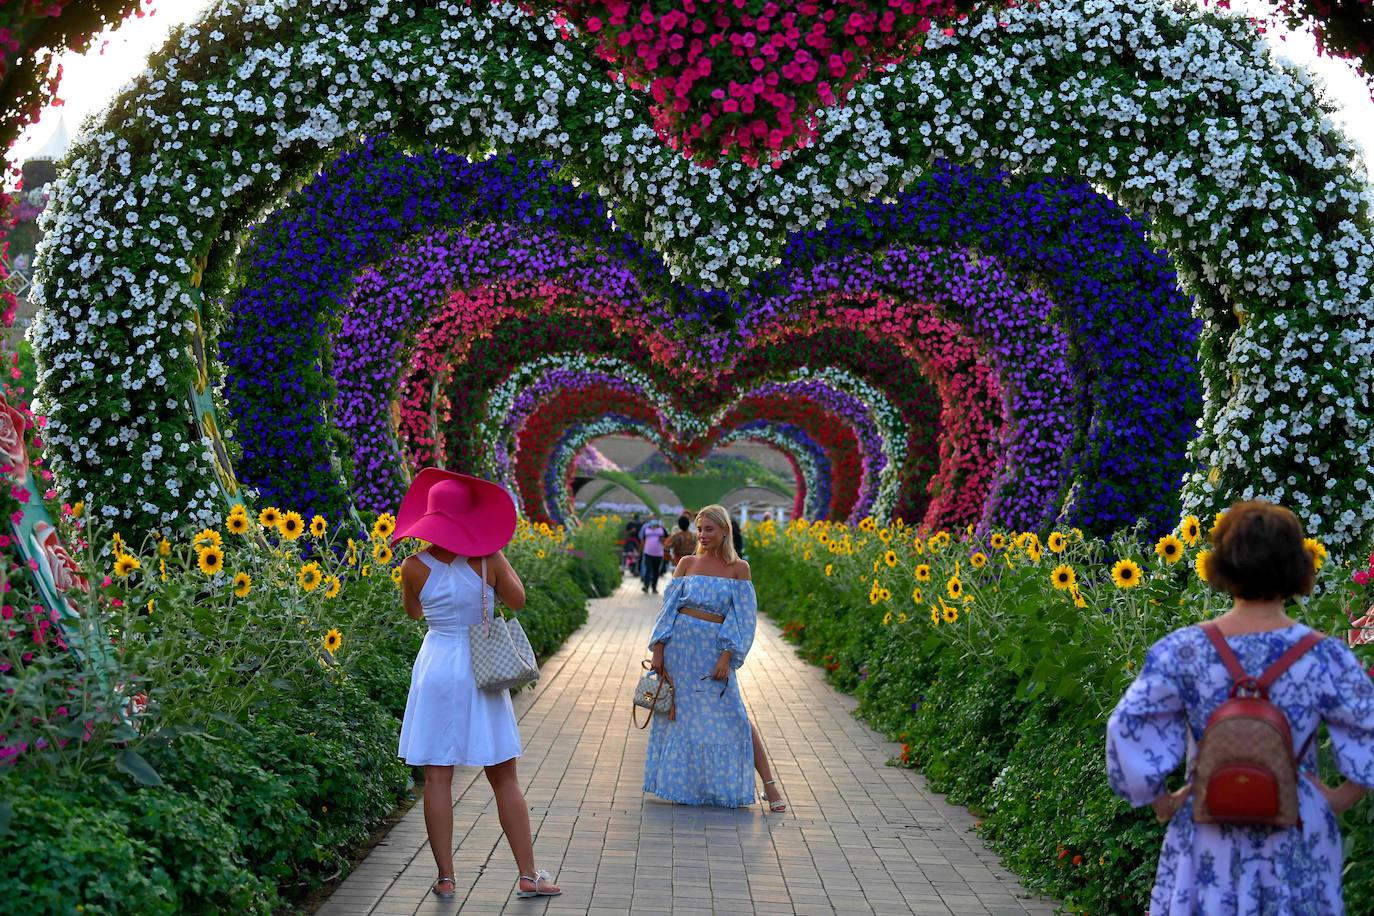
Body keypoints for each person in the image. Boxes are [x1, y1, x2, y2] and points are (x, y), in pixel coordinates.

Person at [1106, 501, 1373, 913]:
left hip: (1208, 826)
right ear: (1298, 567)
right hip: (1297, 829)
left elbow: (1127, 725)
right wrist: (1338, 798)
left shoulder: (1184, 651)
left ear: (1222, 567)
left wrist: (1163, 799)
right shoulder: (1325, 657)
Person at [394, 468, 562, 902]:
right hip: (480, 666)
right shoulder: (488, 558)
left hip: (436, 665)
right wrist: (496, 558)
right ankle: (528, 875)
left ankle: (446, 878)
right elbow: (519, 601)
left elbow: (414, 614)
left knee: (436, 777)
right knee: (503, 775)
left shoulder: (413, 566)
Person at [645, 504, 772, 808]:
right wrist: (659, 651)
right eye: (700, 529)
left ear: (725, 531)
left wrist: (727, 657)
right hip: (679, 651)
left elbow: (743, 618)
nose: (701, 535)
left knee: (735, 716)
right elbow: (668, 610)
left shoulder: (739, 568)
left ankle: (769, 785)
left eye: (709, 529)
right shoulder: (687, 563)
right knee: (682, 717)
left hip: (713, 654)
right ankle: (685, 787)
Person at [639, 515, 667, 593]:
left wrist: (663, 539)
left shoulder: (662, 529)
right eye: (652, 519)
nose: (654, 520)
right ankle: (646, 586)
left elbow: (666, 539)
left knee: (656, 571)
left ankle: (654, 587)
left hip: (658, 554)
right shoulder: (646, 528)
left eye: (655, 519)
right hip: (648, 552)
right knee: (648, 570)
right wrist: (641, 550)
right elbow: (642, 539)